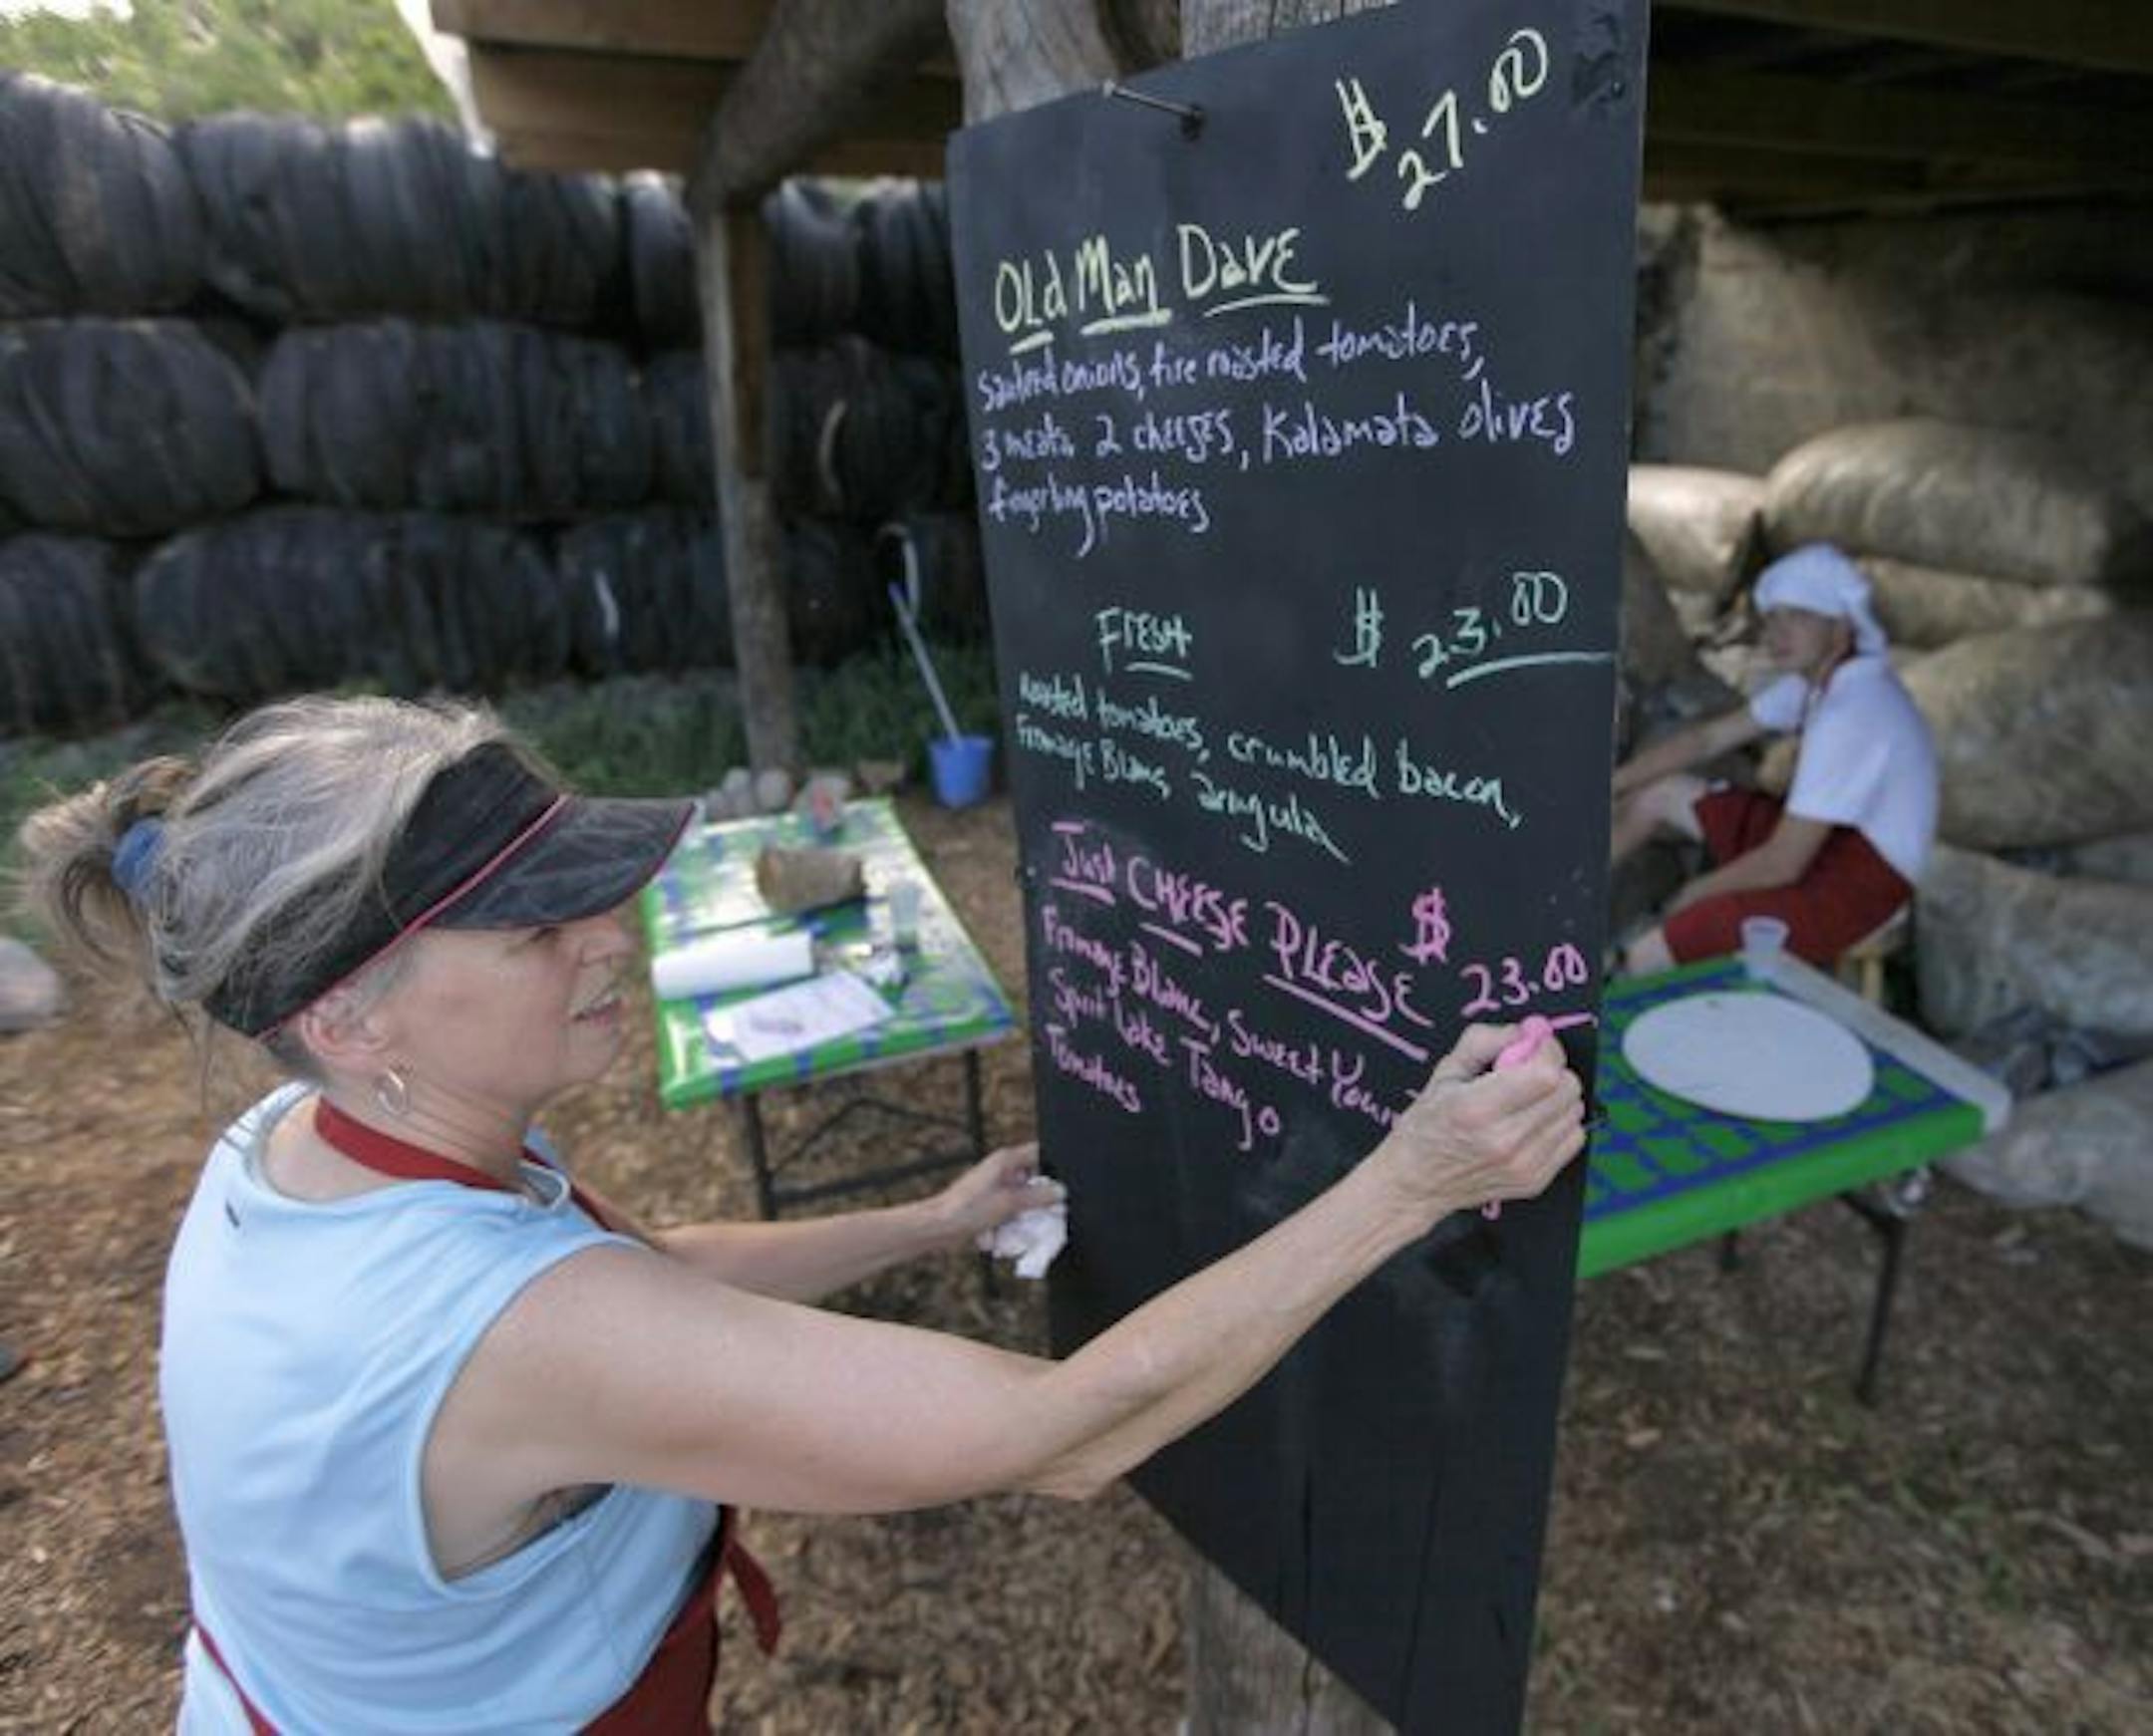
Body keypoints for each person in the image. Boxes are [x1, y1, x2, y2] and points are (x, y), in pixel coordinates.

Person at [20, 695, 1584, 1733]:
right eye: (531, 927)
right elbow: (1069, 1431)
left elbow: (651, 1280)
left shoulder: (292, 1141)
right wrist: (1415, 1178)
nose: (604, 941)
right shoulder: (504, 1329)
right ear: (356, 1015)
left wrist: (919, 1216)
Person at [1609, 543, 1939, 975]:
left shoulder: (1852, 712)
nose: (1777, 633)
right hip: (1824, 844)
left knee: (1657, 945)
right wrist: (1614, 783)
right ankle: (1559, 899)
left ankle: (1605, 1016)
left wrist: (1693, 896)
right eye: (1773, 618)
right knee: (1659, 795)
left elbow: (1783, 863)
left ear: (1840, 629)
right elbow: (1708, 739)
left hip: (1862, 884)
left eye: (1798, 617)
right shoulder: (1818, 680)